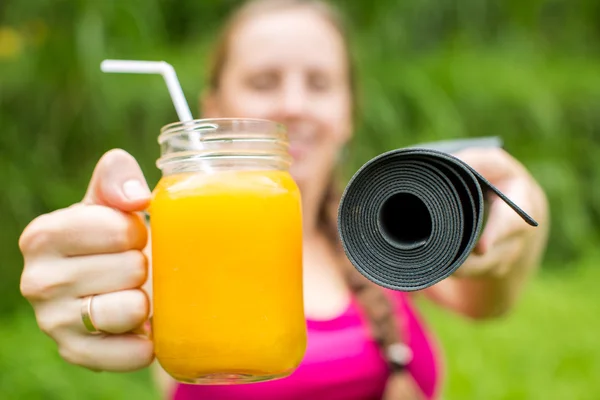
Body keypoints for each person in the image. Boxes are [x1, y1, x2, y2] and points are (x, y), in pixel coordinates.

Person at [18, 1, 549, 399]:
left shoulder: (379, 228)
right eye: (264, 80)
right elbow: (122, 274)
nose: (293, 105)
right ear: (213, 109)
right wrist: (85, 275)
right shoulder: (176, 247)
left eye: (318, 83)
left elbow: (490, 299)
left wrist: (517, 217)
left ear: (347, 113)